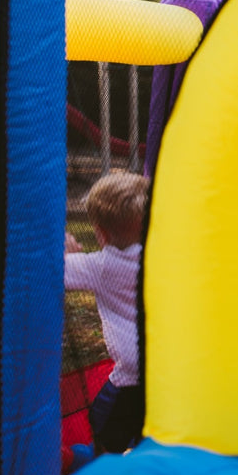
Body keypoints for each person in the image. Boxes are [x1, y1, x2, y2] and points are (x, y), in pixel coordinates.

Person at [64, 171, 149, 455]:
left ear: (100, 234)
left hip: (131, 373)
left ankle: (103, 463)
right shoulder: (163, 258)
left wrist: (69, 254)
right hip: (168, 370)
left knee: (101, 421)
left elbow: (58, 273)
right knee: (149, 424)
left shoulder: (101, 266)